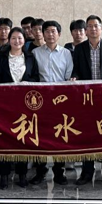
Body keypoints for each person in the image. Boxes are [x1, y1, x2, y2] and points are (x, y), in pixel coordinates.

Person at [71, 15, 102, 187]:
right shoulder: (79, 49)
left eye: (96, 26)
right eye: (90, 26)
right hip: (87, 99)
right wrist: (75, 77)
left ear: (101, 29)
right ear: (86, 30)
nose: (93, 29)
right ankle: (87, 172)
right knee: (87, 135)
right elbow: (76, 70)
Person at [0, 27, 39, 188]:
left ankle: (22, 174)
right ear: (9, 40)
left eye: (20, 38)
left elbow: (36, 78)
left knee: (23, 139)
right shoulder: (1, 57)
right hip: (4, 105)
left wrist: (27, 84)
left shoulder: (30, 57)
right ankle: (4, 175)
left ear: (24, 40)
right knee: (4, 139)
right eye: (14, 38)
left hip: (24, 105)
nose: (17, 41)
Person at [28, 20, 73, 185]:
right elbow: (33, 75)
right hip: (41, 100)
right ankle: (40, 171)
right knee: (40, 136)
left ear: (59, 34)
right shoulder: (35, 53)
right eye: (47, 31)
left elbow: (69, 76)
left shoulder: (66, 53)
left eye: (53, 31)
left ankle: (59, 172)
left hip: (61, 100)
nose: (50, 34)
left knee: (60, 135)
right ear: (43, 34)